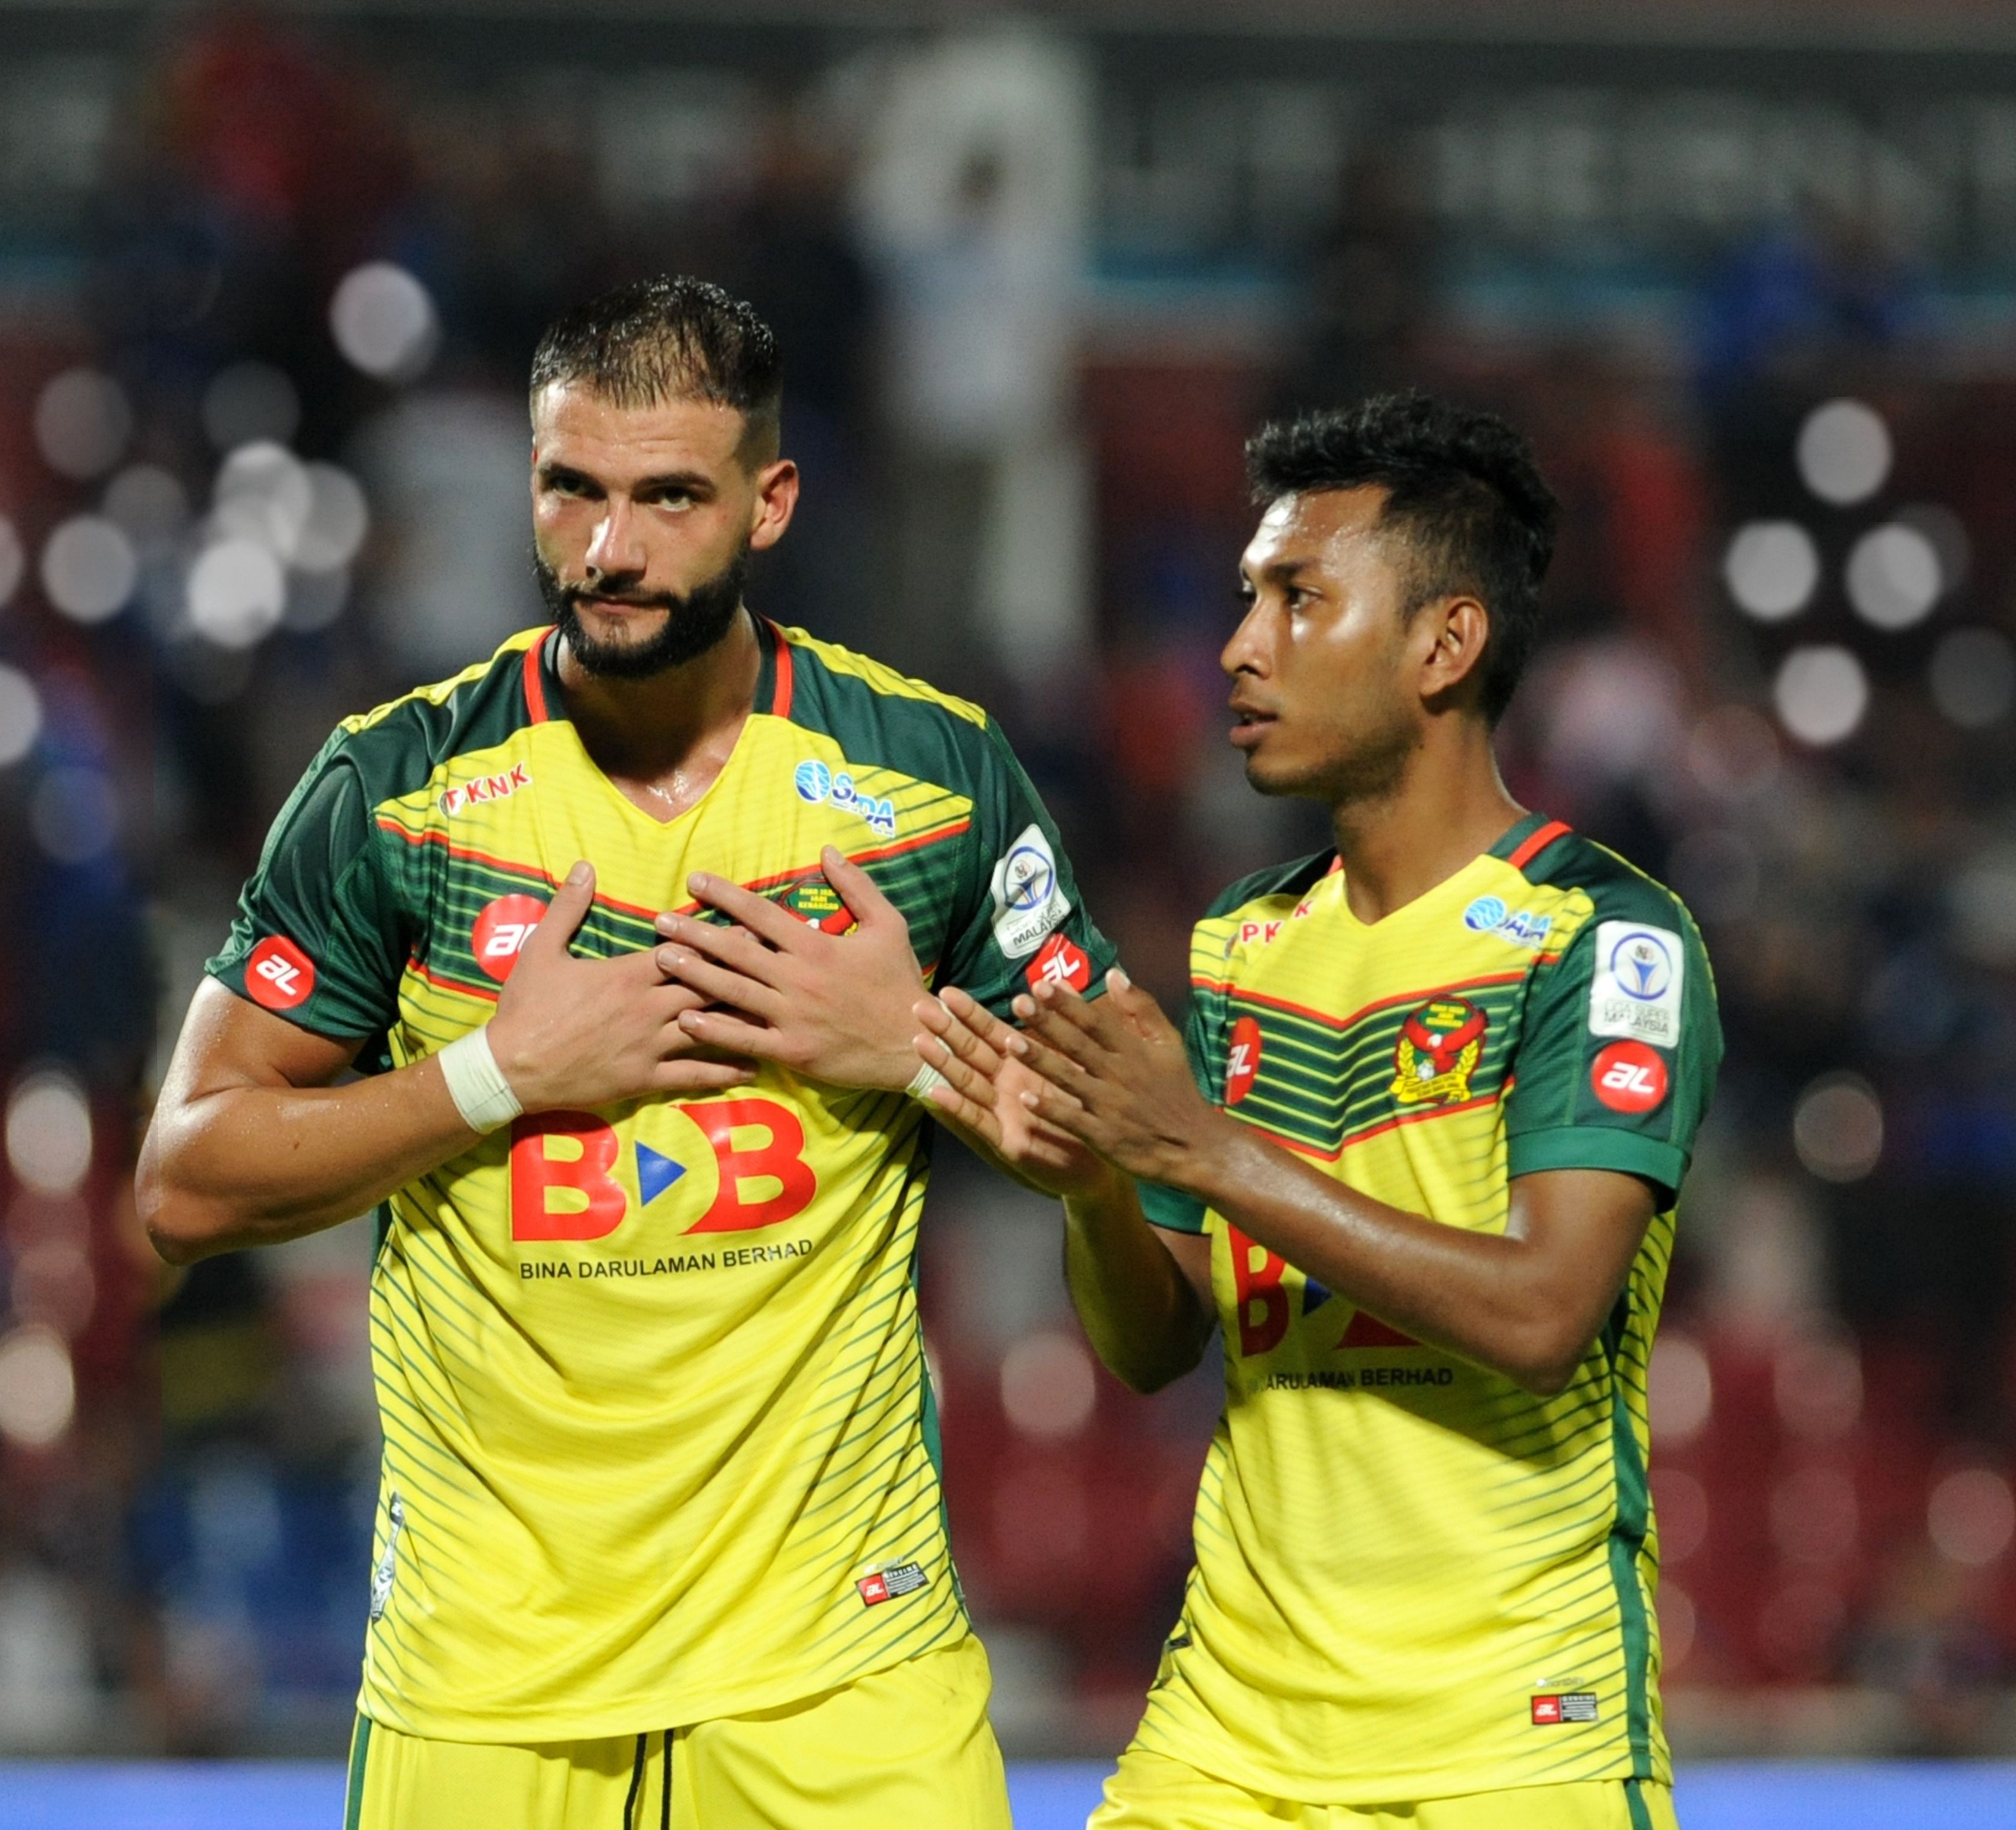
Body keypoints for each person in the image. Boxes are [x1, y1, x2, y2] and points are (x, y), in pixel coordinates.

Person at [136, 275, 1114, 1829]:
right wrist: (492, 1077)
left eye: (668, 497)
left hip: (839, 1672)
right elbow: (183, 1176)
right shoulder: (394, 788)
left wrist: (908, 1046)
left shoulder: (928, 782)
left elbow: (1126, 1132)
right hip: (485, 1678)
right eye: (572, 491)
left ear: (768, 500)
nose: (610, 547)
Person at [913, 392, 1721, 1830]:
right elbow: (1155, 1342)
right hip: (1228, 1735)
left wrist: (1205, 1149)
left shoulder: (1598, 937)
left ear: (1442, 644)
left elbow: (1545, 1314)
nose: (1237, 646)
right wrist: (1098, 1179)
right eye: (1245, 600)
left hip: (1508, 1741)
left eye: (1297, 598)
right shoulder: (1246, 940)